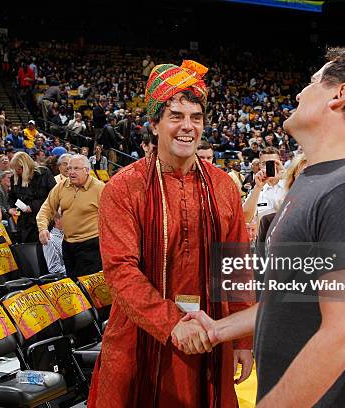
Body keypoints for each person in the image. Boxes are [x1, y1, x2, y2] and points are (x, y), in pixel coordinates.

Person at [183, 48, 345, 407]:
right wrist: (217, 329)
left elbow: (344, 335)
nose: (301, 92)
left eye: (312, 82)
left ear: (339, 95)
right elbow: (295, 298)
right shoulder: (316, 181)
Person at [87, 60, 254, 408]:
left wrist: (243, 340)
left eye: (196, 117)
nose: (187, 127)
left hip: (210, 335)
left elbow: (236, 267)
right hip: (141, 337)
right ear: (154, 123)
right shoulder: (123, 188)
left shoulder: (223, 186)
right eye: (176, 116)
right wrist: (171, 323)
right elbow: (120, 271)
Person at [37, 154, 104, 278]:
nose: (71, 172)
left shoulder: (100, 188)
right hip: (67, 244)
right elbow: (45, 209)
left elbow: (111, 218)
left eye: (76, 168)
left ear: (87, 170)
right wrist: (42, 228)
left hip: (91, 245)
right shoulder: (62, 186)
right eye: (69, 168)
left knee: (89, 287)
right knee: (73, 284)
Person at [8, 152, 55, 243]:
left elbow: (53, 196)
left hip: (43, 219)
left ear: (26, 166)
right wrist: (10, 208)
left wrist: (33, 206)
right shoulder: (15, 177)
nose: (17, 172)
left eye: (19, 169)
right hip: (24, 222)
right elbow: (11, 197)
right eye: (15, 170)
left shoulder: (44, 173)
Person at [242, 146, 285, 223]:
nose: (268, 167)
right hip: (264, 234)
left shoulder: (291, 185)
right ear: (260, 166)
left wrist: (286, 175)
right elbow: (245, 218)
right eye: (264, 163)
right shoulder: (256, 190)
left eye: (273, 163)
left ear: (280, 163)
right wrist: (258, 187)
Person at [42, 211, 66, 277]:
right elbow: (54, 268)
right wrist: (75, 270)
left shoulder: (71, 235)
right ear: (56, 220)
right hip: (67, 279)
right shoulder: (49, 239)